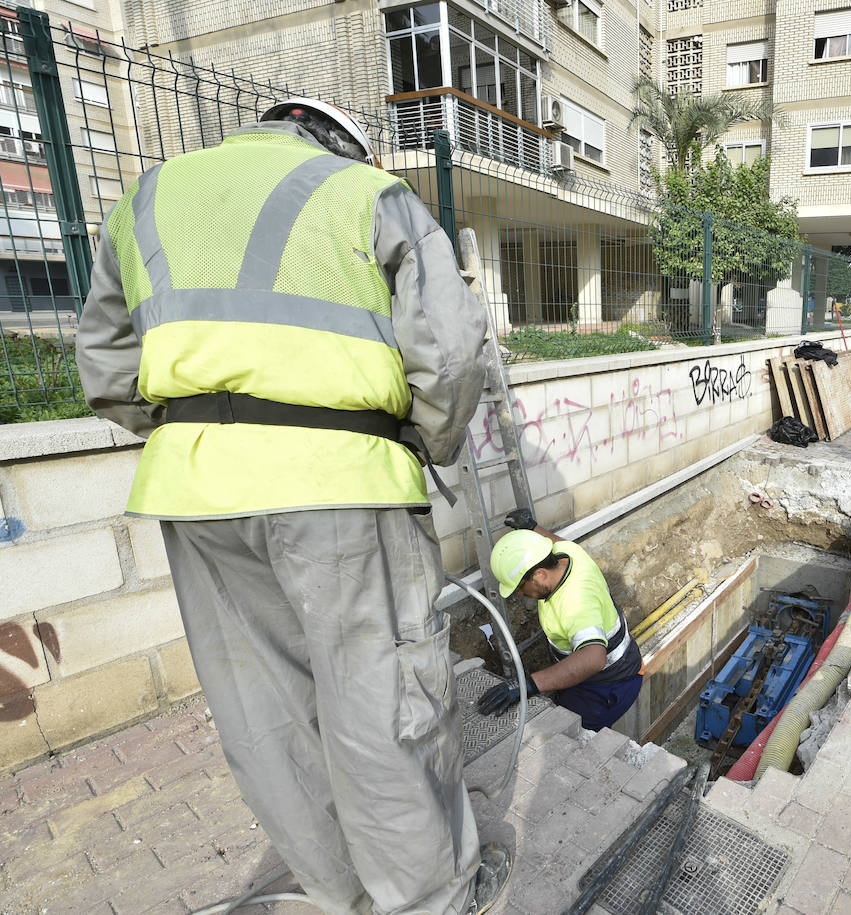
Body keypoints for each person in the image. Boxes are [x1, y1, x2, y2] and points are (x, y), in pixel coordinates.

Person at [76, 98, 508, 914]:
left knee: (265, 711)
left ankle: (343, 894)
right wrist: (421, 443)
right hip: (342, 481)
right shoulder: (366, 194)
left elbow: (104, 367)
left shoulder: (146, 199)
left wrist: (193, 428)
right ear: (342, 143)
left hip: (197, 493)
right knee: (381, 707)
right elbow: (450, 359)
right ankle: (428, 901)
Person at [479, 511, 643, 730]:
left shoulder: (576, 602)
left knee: (572, 738)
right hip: (607, 671)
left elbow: (593, 659)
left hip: (607, 685)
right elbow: (555, 542)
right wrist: (532, 527)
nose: (518, 594)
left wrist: (528, 685)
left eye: (519, 586)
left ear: (539, 575)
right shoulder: (565, 555)